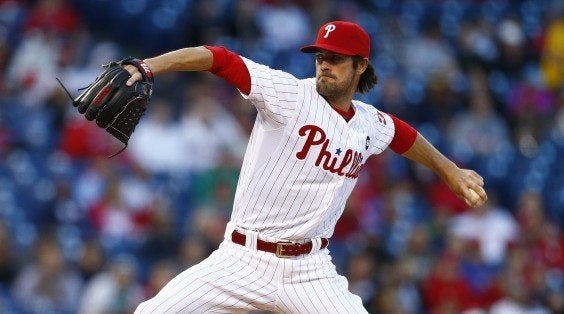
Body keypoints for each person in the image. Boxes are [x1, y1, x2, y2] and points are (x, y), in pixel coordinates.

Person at [124, 20, 487, 313]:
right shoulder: (290, 94)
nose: (325, 64)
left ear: (361, 66)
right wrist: (148, 66)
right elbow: (218, 57)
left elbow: (401, 135)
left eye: (337, 58)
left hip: (309, 271)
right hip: (241, 260)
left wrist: (449, 170)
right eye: (320, 56)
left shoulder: (367, 122)